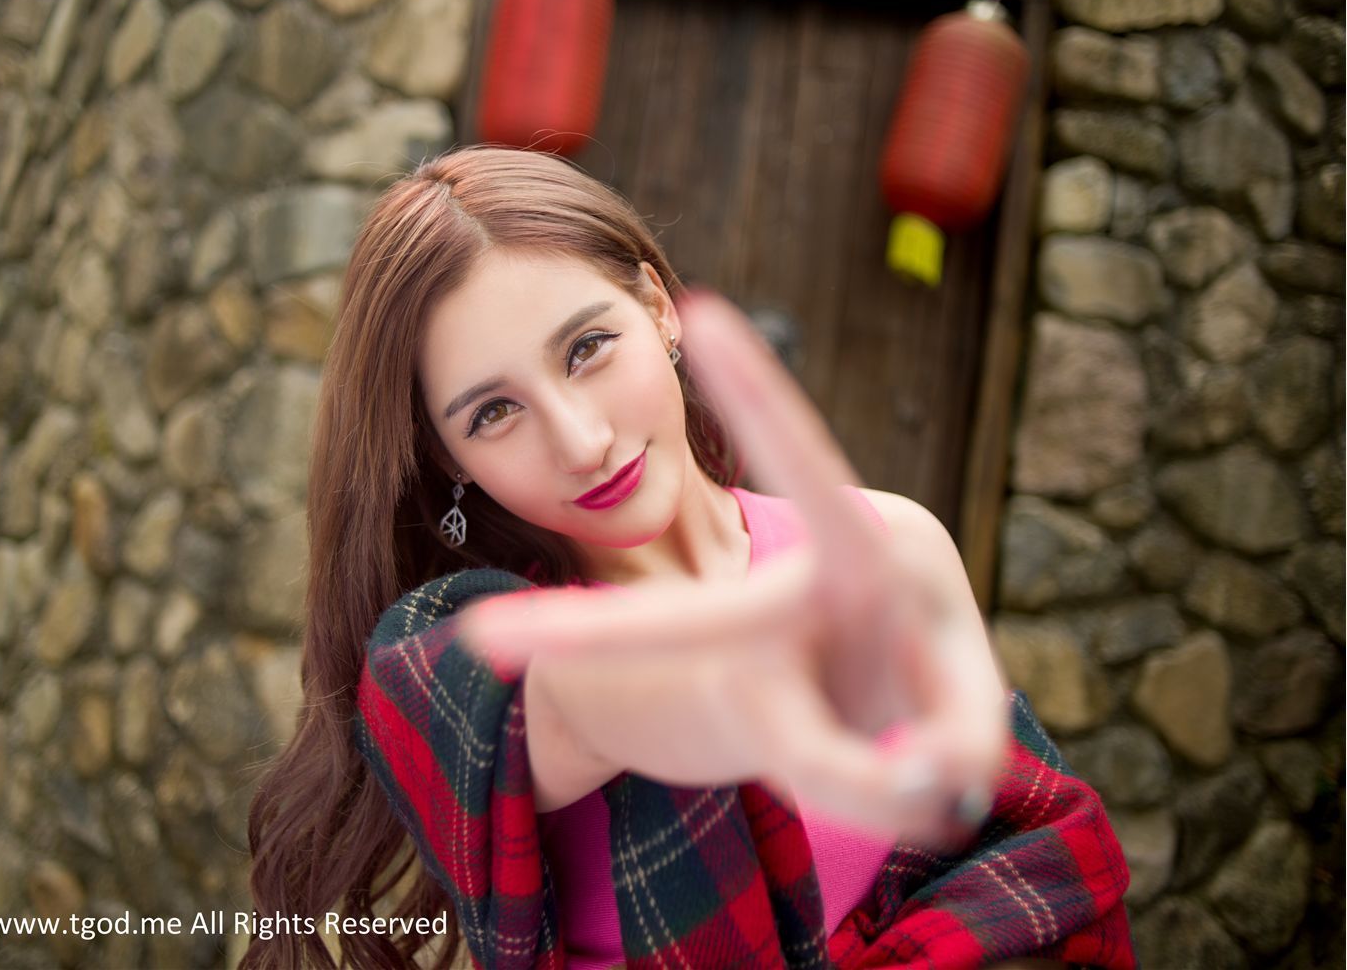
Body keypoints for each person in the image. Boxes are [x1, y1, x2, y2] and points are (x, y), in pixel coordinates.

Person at [242, 147, 1134, 970]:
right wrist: (681, 691)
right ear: (450, 464)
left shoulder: (892, 546)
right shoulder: (459, 654)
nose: (583, 442)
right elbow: (529, 693)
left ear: (660, 307)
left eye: (587, 348)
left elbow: (1026, 851)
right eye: (493, 413)